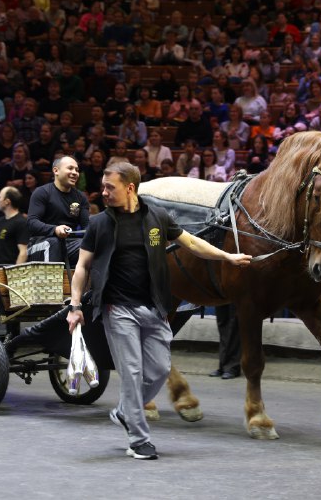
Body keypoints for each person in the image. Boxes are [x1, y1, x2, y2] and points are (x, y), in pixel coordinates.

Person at [66, 162, 251, 460]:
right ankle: (139, 440)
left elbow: (191, 243)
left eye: (109, 187)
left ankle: (126, 411)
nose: (103, 192)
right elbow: (82, 267)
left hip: (153, 308)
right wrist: (75, 306)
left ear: (130, 188)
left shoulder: (157, 217)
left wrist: (226, 256)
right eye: (103, 186)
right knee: (132, 371)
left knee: (159, 369)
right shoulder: (100, 223)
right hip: (118, 309)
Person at [26, 156, 90, 266]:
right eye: (70, 168)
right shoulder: (42, 192)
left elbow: (87, 227)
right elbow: (31, 222)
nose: (75, 173)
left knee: (91, 246)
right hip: (41, 242)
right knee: (54, 243)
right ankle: (51, 283)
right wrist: (55, 229)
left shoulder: (81, 197)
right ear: (56, 171)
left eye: (77, 170)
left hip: (69, 243)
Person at [0, 187, 28, 265]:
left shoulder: (21, 222)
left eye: (0, 197)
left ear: (7, 201)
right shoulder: (0, 221)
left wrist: (16, 275)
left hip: (9, 270)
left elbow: (23, 252)